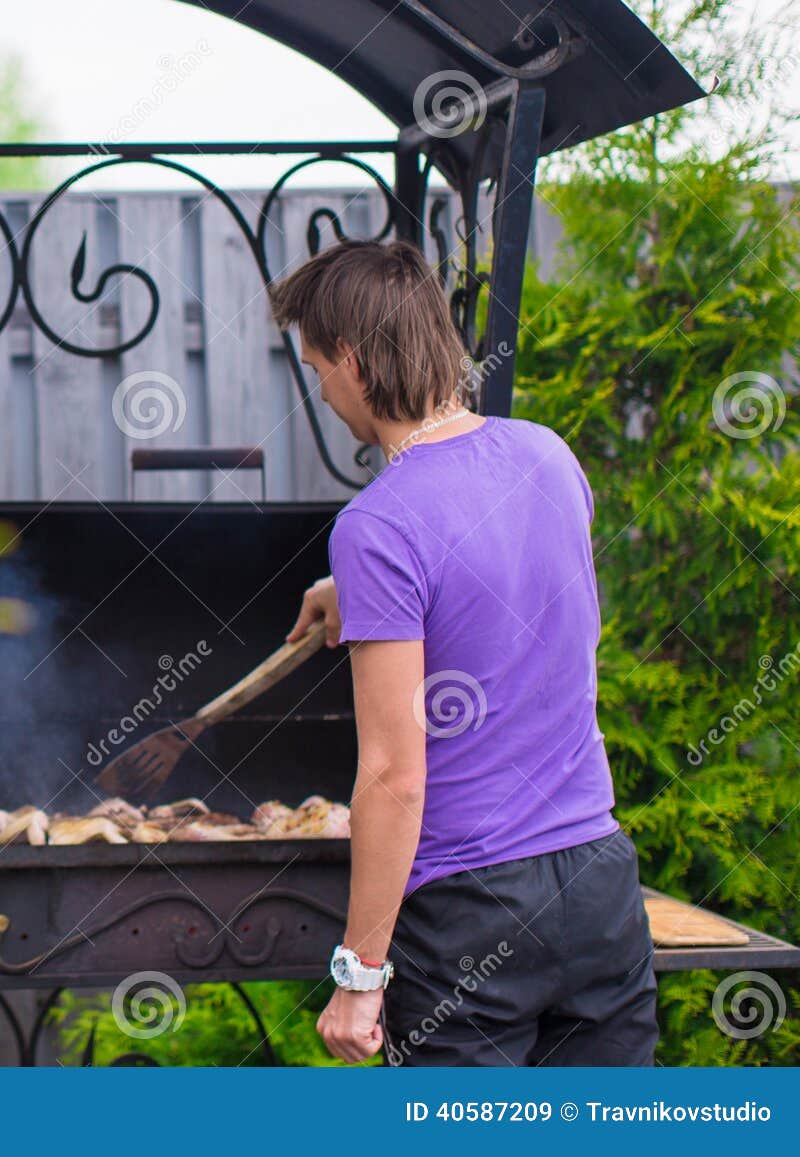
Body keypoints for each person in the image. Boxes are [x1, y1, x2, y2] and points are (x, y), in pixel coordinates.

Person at [270, 239, 657, 1066]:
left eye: (317, 368)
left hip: (471, 912)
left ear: (350, 359)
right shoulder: (547, 455)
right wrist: (367, 594)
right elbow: (513, 592)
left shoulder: (377, 526)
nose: (325, 392)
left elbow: (393, 776)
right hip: (598, 881)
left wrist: (359, 971)